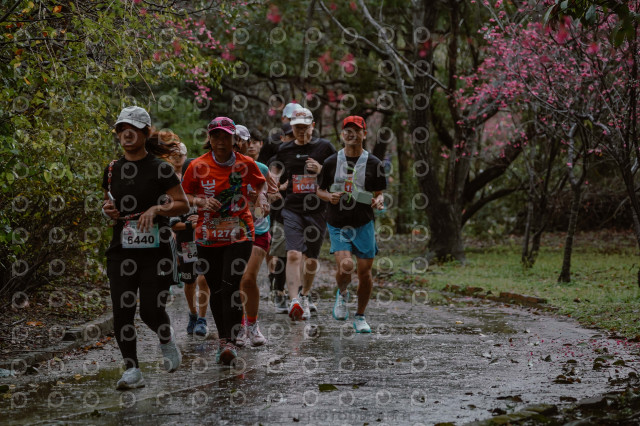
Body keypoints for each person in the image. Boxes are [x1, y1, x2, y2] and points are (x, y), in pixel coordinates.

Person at [101, 106, 189, 389]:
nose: (126, 134)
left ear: (145, 132)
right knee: (122, 311)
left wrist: (156, 209)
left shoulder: (160, 168)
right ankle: (132, 370)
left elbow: (182, 204)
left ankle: (166, 338)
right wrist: (107, 210)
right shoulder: (112, 169)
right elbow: (110, 203)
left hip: (156, 251)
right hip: (121, 250)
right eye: (121, 129)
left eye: (133, 129)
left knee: (150, 311)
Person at [181, 117, 267, 365]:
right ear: (209, 138)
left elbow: (260, 185)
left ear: (234, 139)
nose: (221, 141)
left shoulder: (246, 163)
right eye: (216, 136)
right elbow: (184, 194)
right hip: (207, 237)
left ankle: (230, 342)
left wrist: (261, 198)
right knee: (216, 289)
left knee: (231, 285)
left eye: (226, 136)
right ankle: (224, 339)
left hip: (240, 233)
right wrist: (201, 201)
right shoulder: (197, 165)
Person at [317, 116, 386, 333]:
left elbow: (379, 193)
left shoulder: (374, 163)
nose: (351, 134)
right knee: (346, 266)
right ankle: (342, 293)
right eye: (347, 130)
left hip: (363, 222)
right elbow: (319, 190)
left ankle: (360, 316)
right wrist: (329, 197)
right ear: (342, 134)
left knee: (365, 272)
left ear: (364, 134)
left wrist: (379, 201)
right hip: (338, 222)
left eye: (356, 130)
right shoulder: (331, 162)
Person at [273, 107, 336, 321]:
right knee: (293, 254)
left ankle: (305, 295)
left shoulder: (325, 147)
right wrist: (275, 186)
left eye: (304, 127)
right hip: (292, 208)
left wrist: (321, 170)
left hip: (318, 210)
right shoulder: (284, 149)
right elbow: (278, 173)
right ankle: (294, 301)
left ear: (313, 126)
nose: (301, 131)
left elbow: (339, 174)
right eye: (297, 127)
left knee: (310, 259)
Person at [167, 141, 211, 337]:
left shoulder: (207, 190)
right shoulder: (175, 191)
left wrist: (201, 220)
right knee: (190, 281)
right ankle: (193, 314)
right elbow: (172, 224)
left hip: (206, 240)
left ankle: (202, 318)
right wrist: (190, 225)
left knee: (204, 278)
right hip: (186, 243)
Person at [233, 125, 271, 347]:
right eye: (235, 140)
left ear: (249, 143)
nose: (239, 144)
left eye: (243, 140)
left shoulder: (261, 168)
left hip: (258, 230)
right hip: (232, 231)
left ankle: (253, 324)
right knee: (235, 280)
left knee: (248, 278)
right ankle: (239, 325)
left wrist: (263, 200)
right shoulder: (221, 168)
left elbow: (272, 193)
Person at [267, 123, 294, 313]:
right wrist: (279, 187)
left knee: (301, 255)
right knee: (283, 254)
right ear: (283, 138)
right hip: (281, 213)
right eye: (289, 136)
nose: (293, 139)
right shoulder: (276, 160)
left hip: (305, 212)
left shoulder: (307, 158)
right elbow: (271, 185)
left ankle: (300, 294)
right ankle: (279, 292)